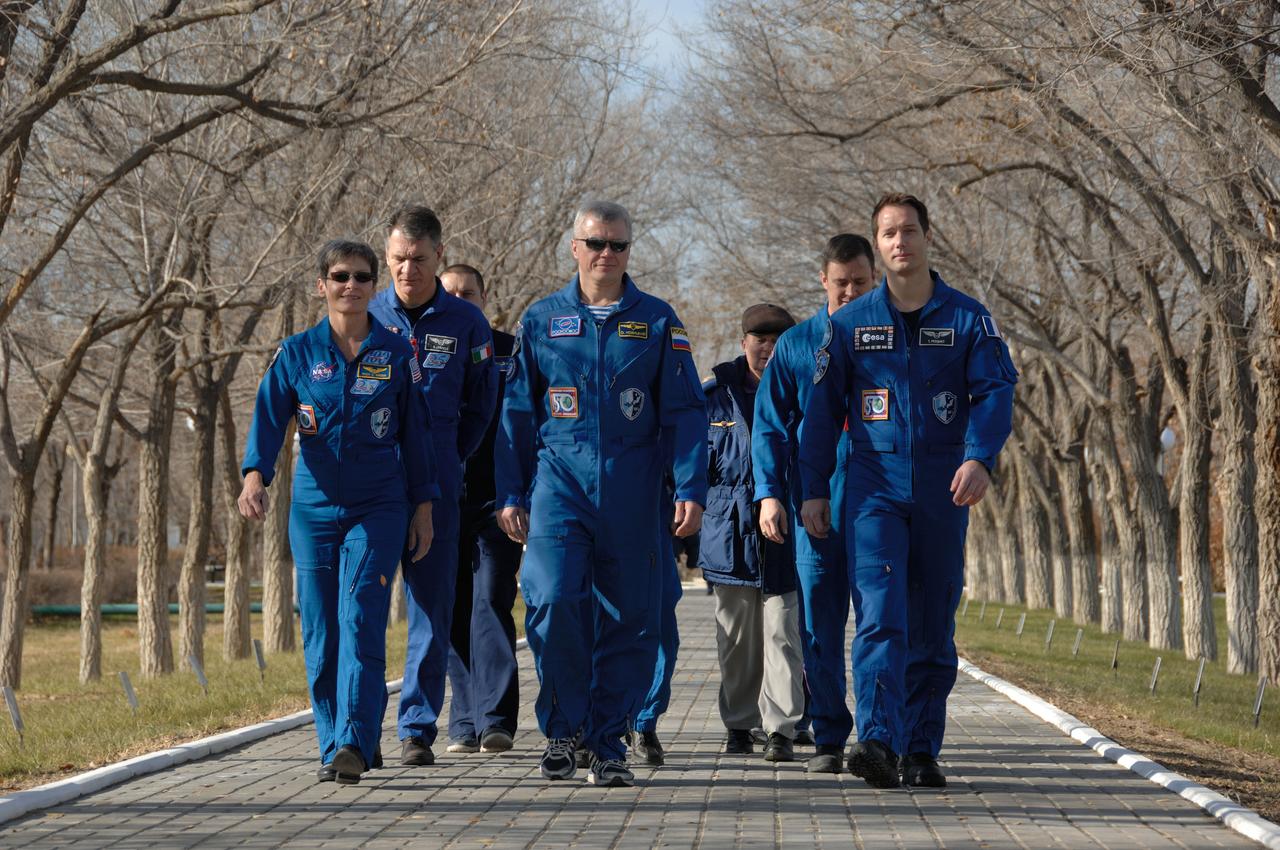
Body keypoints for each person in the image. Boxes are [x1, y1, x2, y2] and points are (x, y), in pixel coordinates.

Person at [799, 194, 1018, 788]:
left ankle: (920, 748)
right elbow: (819, 415)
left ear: (927, 237)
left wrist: (980, 459)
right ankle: (875, 739)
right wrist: (813, 490)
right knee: (878, 612)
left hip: (945, 487)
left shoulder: (968, 319)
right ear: (878, 244)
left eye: (910, 231)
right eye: (889, 233)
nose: (901, 242)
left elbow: (996, 393)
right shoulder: (848, 326)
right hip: (873, 486)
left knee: (931, 617)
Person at [495, 199, 707, 788]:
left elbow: (687, 412)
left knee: (632, 619)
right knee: (553, 598)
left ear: (629, 251)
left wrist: (690, 485)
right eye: (596, 243)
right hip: (558, 486)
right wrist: (510, 492)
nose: (606, 254)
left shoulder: (658, 321)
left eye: (618, 244)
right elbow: (514, 413)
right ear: (575, 248)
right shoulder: (540, 321)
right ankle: (564, 730)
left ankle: (609, 741)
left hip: (634, 492)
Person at [239, 239, 438, 785]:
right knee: (322, 632)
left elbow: (417, 438)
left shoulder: (397, 354)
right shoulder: (298, 353)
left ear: (375, 287)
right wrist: (255, 474)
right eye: (339, 276)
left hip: (379, 505)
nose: (351, 286)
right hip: (313, 508)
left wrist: (423, 507)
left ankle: (354, 737)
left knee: (359, 615)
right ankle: (334, 745)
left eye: (361, 277)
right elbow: (268, 417)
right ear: (321, 285)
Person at [369, 206, 498, 767]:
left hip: (441, 486)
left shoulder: (467, 323)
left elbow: (481, 405)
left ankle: (417, 728)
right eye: (397, 258)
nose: (406, 269)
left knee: (431, 609)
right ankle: (357, 725)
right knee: (365, 610)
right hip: (374, 485)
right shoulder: (367, 314)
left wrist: (449, 456)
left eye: (418, 259)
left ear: (438, 257)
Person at [754, 234, 877, 774]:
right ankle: (828, 734)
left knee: (879, 623)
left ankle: (878, 737)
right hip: (814, 500)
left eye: (860, 282)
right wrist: (770, 495)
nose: (850, 292)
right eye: (841, 282)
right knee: (819, 629)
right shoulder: (798, 345)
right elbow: (770, 427)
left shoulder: (890, 339)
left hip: (878, 500)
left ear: (874, 280)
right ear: (823, 280)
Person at [701, 304, 805, 763]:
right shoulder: (714, 396)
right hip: (730, 531)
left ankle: (781, 727)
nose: (768, 348)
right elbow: (693, 468)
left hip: (790, 527)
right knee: (737, 640)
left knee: (783, 631)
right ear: (743, 342)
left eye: (779, 339)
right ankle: (739, 724)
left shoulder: (806, 390)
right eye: (759, 339)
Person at [438, 263, 523, 755]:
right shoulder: (425, 352)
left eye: (468, 293)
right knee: (451, 608)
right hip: (444, 500)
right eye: (450, 293)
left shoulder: (511, 353)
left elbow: (522, 429)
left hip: (498, 502)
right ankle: (464, 720)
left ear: (485, 298)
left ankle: (496, 719)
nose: (459, 299)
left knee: (490, 600)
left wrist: (520, 494)